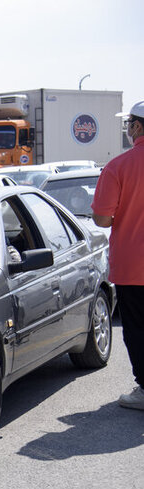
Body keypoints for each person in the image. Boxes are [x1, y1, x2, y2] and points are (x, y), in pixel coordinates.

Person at [92, 100, 144, 410]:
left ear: (137, 127)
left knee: (137, 329)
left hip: (133, 266)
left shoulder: (119, 167)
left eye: (128, 124)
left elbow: (102, 219)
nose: (127, 129)